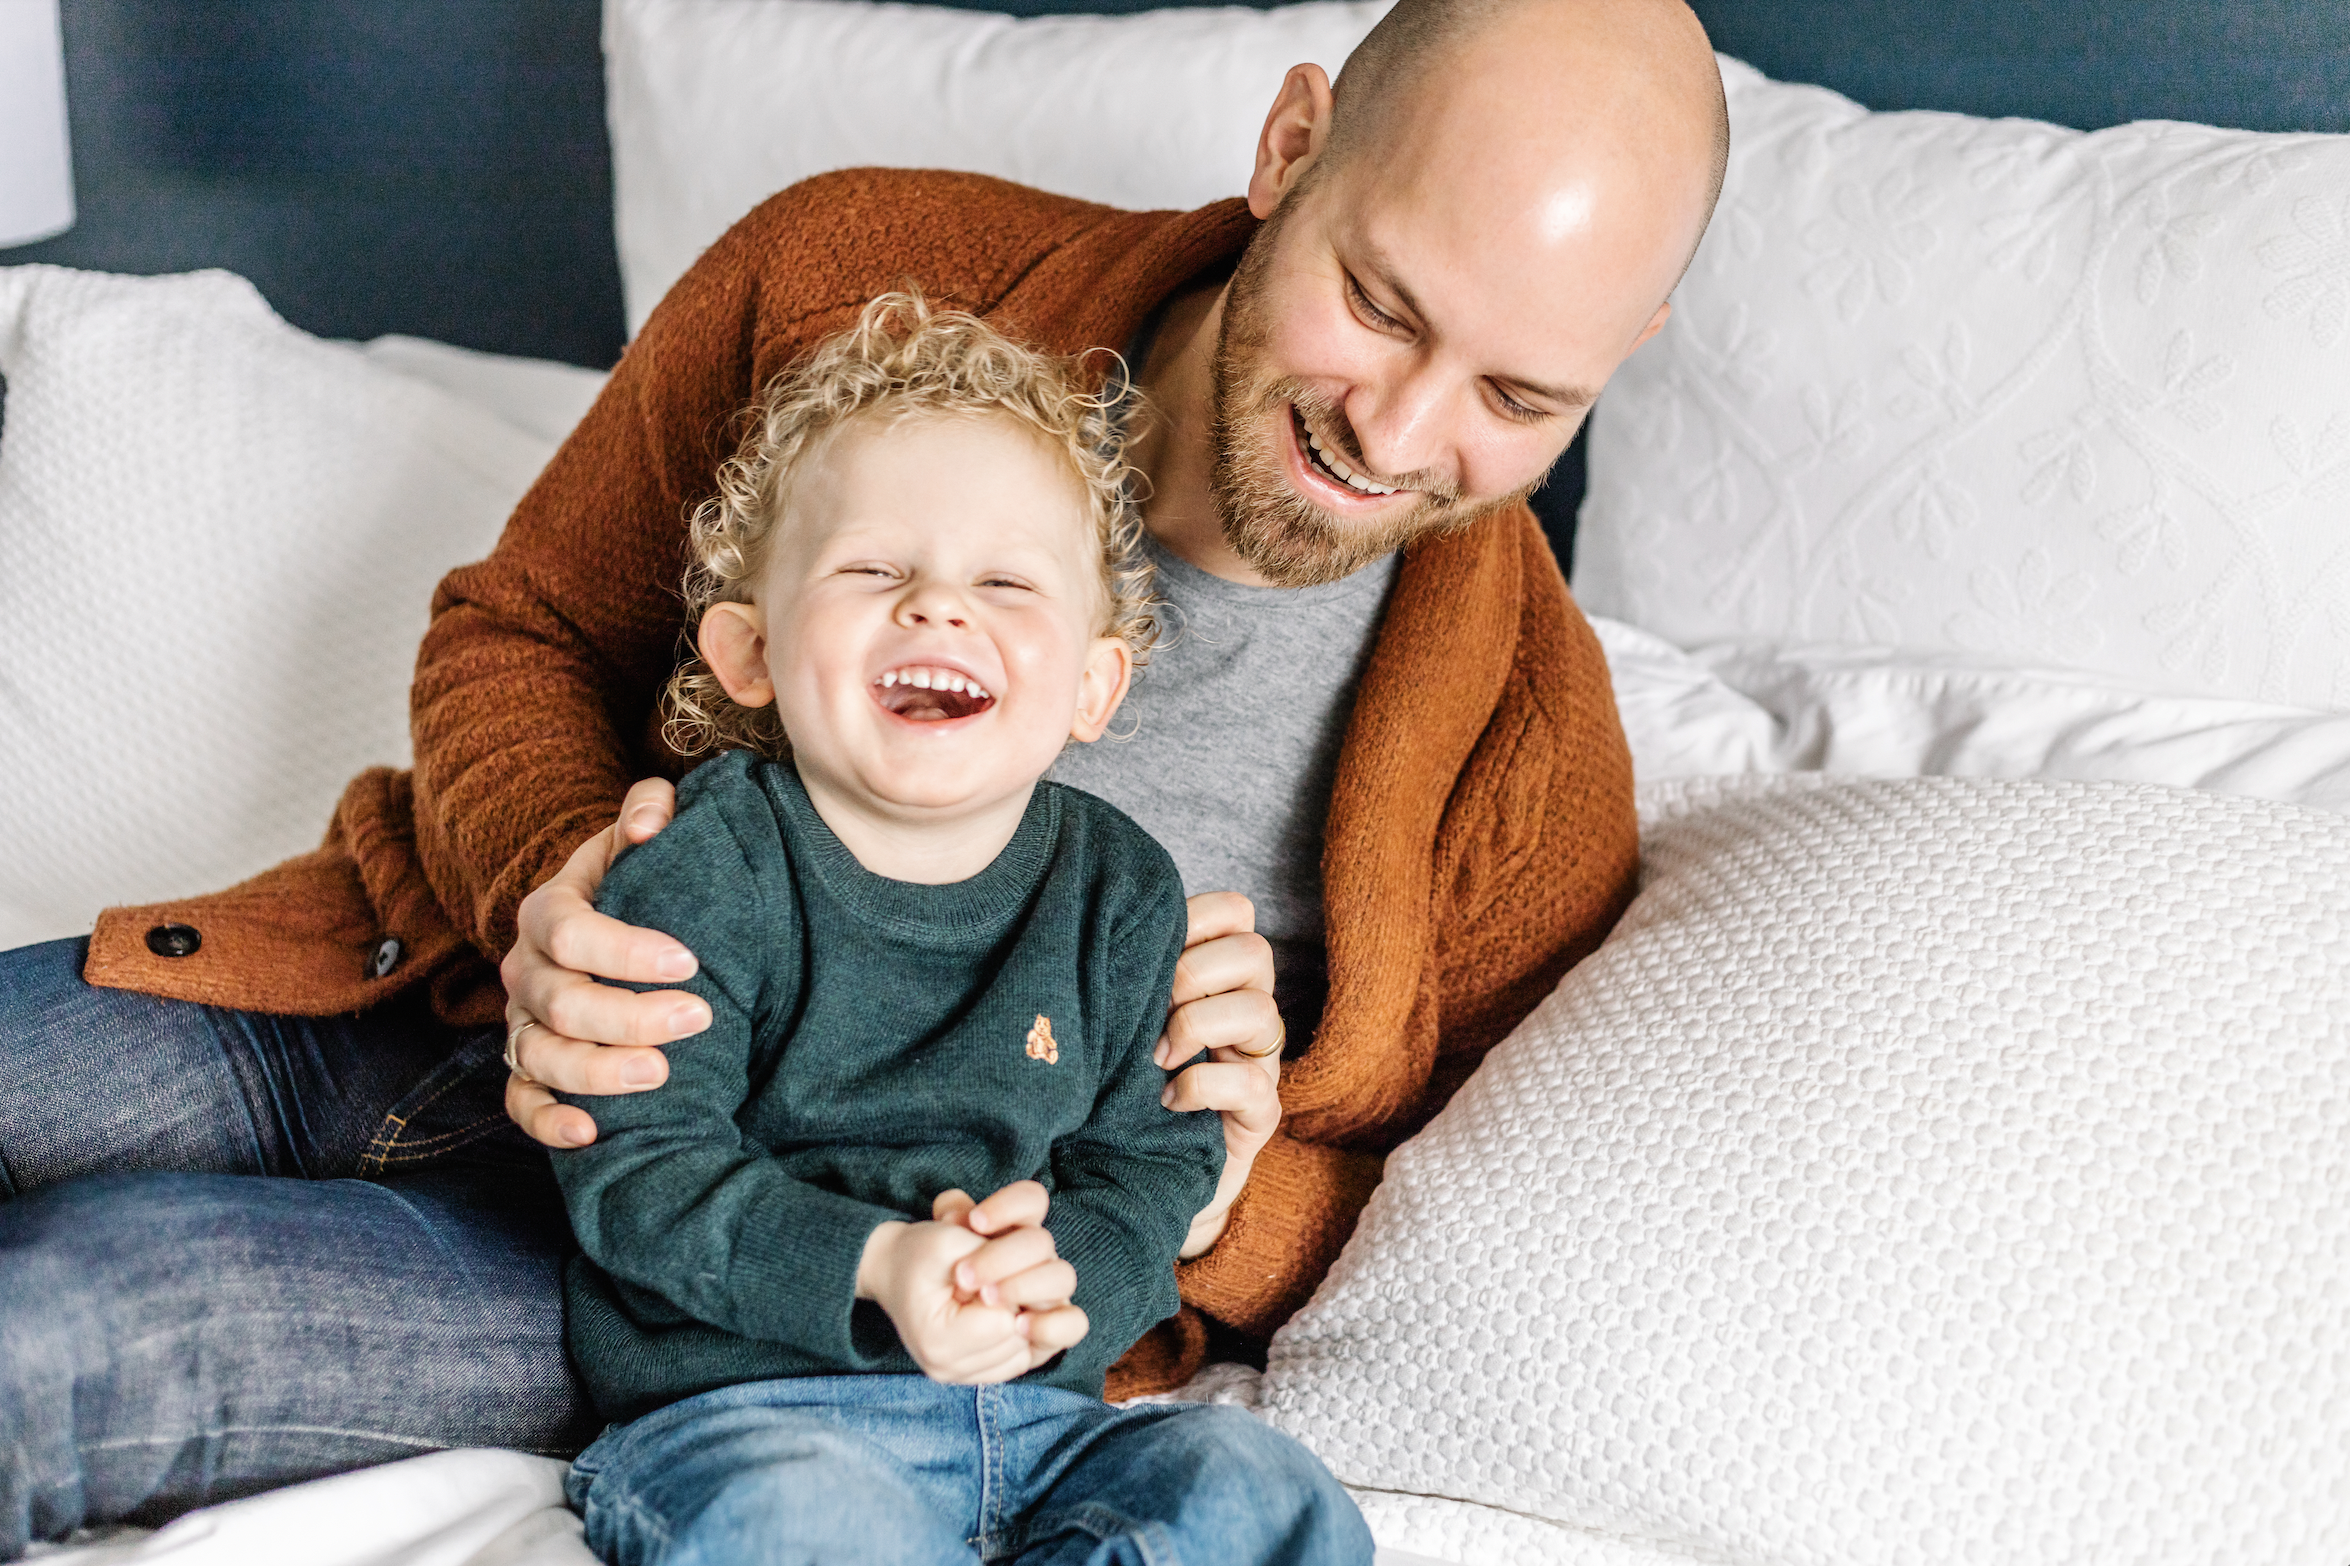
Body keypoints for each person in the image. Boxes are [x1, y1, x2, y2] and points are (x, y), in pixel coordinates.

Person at [0, 0, 1730, 1550]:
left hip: (698, 1301)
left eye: (1518, 395)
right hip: (403, 994)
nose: (1403, 434)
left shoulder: (1533, 754)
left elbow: (1443, 1222)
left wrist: (1230, 1170)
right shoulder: (856, 276)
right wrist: (552, 888)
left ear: (1622, 351)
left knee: (59, 1333)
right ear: (1291, 149)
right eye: (1377, 305)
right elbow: (516, 632)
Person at [550, 290, 1366, 1564]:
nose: (940, 607)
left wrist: (1060, 1281)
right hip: (750, 1419)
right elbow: (640, 1174)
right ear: (749, 651)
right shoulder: (705, 867)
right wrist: (876, 1266)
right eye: (875, 569)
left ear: (1093, 685)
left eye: (1004, 580)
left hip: (1045, 1429)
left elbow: (1148, 1169)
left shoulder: (1120, 894)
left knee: (1254, 1485)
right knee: (803, 1524)